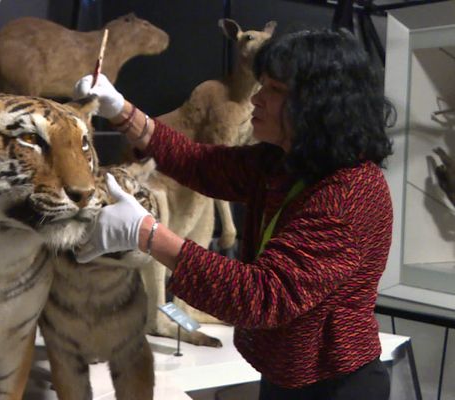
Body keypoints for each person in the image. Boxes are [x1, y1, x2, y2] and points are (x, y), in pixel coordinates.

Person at [74, 28, 394, 400]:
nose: (257, 99)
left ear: (318, 104)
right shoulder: (288, 163)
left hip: (335, 386)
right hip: (290, 374)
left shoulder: (350, 194)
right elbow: (204, 164)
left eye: (274, 90)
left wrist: (148, 235)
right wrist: (123, 112)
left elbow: (261, 296)